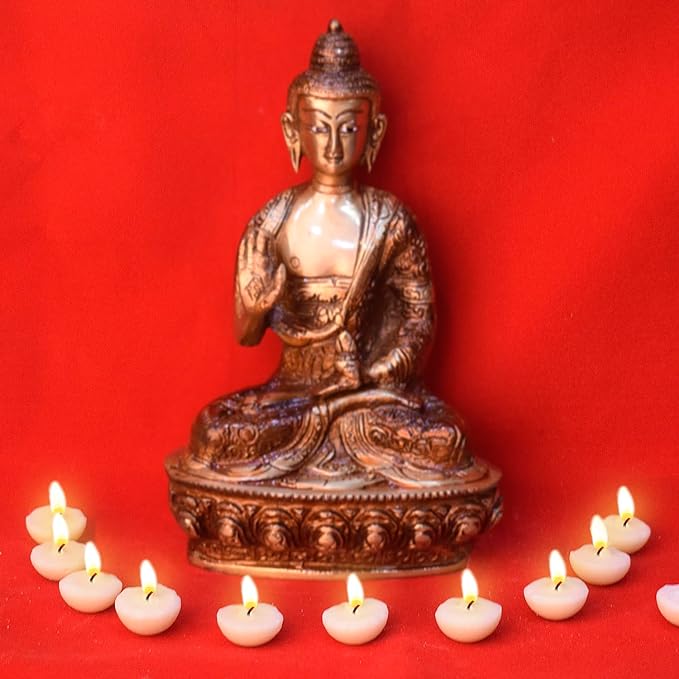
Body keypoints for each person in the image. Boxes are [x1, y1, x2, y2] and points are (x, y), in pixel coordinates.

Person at [188, 20, 487, 491]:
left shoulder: (391, 221)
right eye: (318, 127)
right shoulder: (272, 223)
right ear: (292, 130)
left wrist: (374, 373)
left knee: (444, 439)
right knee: (217, 433)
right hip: (292, 398)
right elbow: (246, 335)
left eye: (348, 128)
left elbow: (418, 321)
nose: (332, 145)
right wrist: (254, 307)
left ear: (374, 131)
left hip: (368, 401)